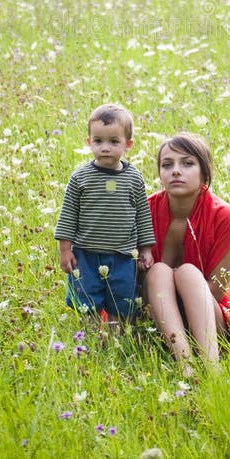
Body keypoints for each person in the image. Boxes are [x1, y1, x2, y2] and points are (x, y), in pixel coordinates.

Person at [143, 132, 230, 366]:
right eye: (167, 164)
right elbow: (137, 280)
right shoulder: (144, 210)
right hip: (158, 317)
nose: (176, 170)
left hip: (208, 320)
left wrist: (183, 317)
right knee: (159, 271)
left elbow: (219, 287)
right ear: (160, 174)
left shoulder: (223, 215)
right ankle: (186, 366)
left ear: (204, 172)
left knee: (188, 273)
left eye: (187, 163)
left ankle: (212, 369)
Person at [54, 103, 155, 320]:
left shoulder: (134, 178)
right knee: (87, 301)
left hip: (123, 256)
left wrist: (145, 249)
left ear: (128, 144)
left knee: (121, 300)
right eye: (98, 141)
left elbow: (143, 217)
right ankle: (91, 337)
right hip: (86, 254)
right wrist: (65, 250)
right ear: (89, 142)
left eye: (114, 141)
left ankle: (116, 335)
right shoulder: (80, 178)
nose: (105, 147)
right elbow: (68, 216)